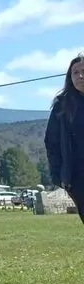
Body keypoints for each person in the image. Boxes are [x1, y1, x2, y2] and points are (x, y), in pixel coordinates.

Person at [45, 54, 84, 222]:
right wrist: (59, 175)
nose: (80, 76)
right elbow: (51, 142)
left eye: (83, 71)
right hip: (77, 177)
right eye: (75, 72)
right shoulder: (62, 106)